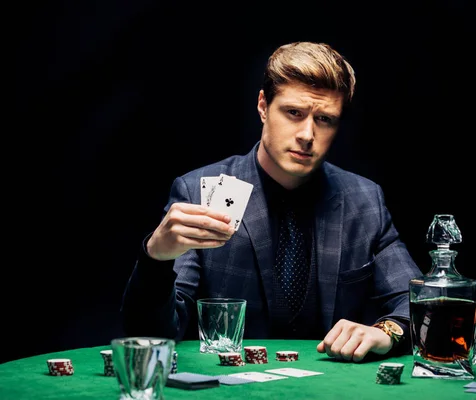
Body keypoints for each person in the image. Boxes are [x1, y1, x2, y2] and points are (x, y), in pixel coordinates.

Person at [121, 41, 423, 362]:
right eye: (294, 113)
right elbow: (153, 336)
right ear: (263, 106)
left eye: (324, 119)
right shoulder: (198, 192)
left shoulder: (364, 200)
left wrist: (387, 330)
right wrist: (155, 258)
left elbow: (421, 302)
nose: (307, 134)